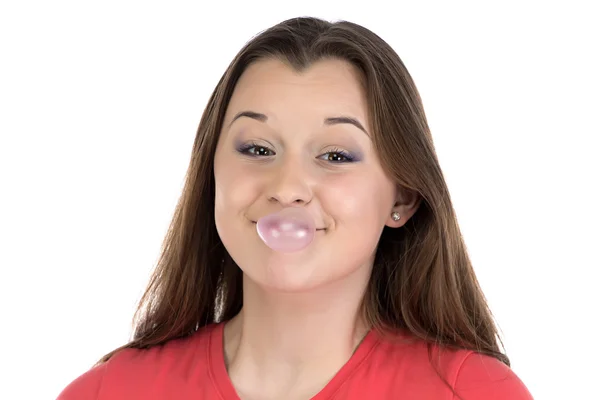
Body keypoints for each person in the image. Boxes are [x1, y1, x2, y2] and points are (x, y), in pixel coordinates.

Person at [57, 17, 533, 400]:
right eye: (258, 149)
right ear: (212, 175)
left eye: (336, 156)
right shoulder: (107, 392)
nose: (287, 188)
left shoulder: (472, 393)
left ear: (402, 197)